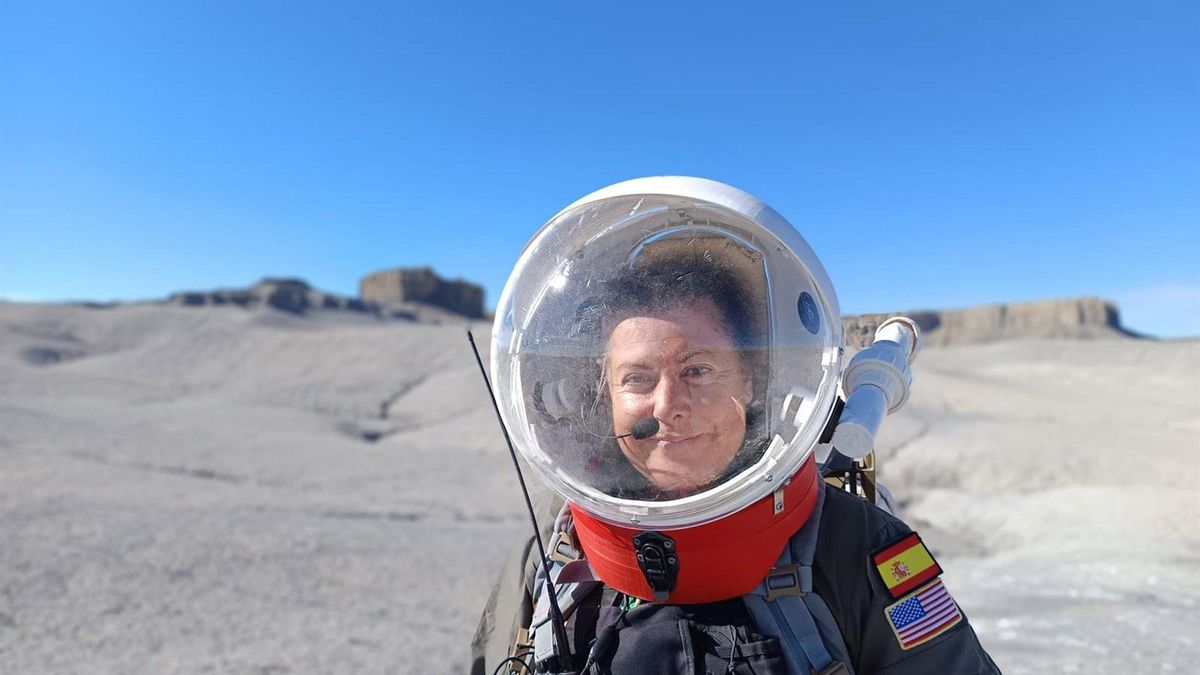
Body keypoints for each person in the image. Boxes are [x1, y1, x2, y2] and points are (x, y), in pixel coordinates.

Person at [473, 177, 1000, 674]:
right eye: (636, 378)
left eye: (697, 370)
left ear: (750, 383)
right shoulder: (556, 552)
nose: (666, 406)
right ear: (603, 396)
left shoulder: (857, 549)